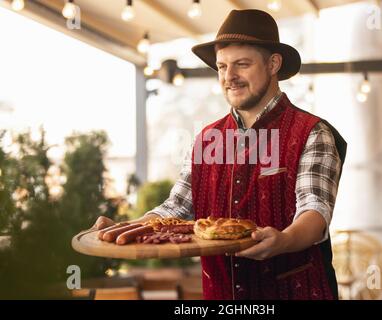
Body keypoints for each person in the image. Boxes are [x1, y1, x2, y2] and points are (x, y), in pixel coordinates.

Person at [95, 9, 347, 300]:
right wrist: (131, 228)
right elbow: (176, 208)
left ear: (273, 64)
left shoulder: (312, 132)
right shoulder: (205, 140)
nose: (230, 77)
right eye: (222, 66)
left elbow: (314, 212)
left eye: (242, 64)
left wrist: (284, 240)